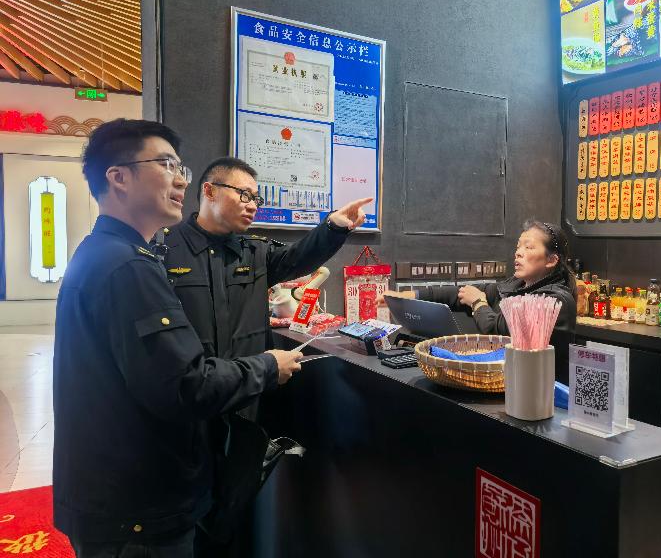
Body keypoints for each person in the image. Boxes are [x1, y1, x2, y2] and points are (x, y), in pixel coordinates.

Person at [53, 119, 303, 558]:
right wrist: (268, 366)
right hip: (138, 510)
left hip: (120, 492)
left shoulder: (107, 252)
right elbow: (188, 385)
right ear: (119, 177)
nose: (181, 179)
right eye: (166, 165)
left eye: (180, 167)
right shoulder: (129, 266)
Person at [157, 156, 370, 556]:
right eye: (244, 194)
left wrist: (333, 227)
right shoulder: (165, 248)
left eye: (256, 197)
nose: (252, 204)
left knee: (236, 511)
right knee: (188, 517)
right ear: (209, 191)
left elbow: (298, 258)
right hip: (189, 408)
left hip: (245, 404)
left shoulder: (253, 251)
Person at [380, 220, 577, 360]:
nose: (518, 253)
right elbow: (460, 292)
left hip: (542, 392)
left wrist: (478, 302)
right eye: (518, 247)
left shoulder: (555, 300)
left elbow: (500, 331)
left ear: (551, 260)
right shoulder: (514, 286)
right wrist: (409, 296)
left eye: (529, 247)